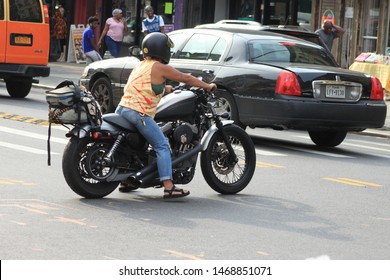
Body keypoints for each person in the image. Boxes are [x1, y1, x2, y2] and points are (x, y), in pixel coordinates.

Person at [116, 32, 216, 199]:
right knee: (162, 146)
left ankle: (126, 179)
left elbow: (147, 87)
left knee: (136, 147)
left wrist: (167, 89)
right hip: (138, 112)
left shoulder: (141, 65)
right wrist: (208, 86)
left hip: (123, 109)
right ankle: (169, 187)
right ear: (162, 50)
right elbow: (186, 78)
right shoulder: (159, 67)